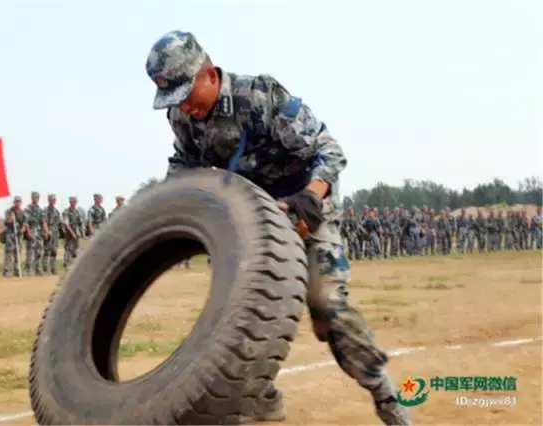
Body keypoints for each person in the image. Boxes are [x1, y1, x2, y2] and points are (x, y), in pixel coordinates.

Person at [145, 30, 411, 425]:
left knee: (328, 309)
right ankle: (262, 403)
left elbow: (330, 150)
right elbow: (185, 166)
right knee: (238, 318)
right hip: (252, 217)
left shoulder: (260, 97)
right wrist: (163, 205)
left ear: (210, 75)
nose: (183, 105)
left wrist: (310, 196)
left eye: (186, 92)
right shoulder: (183, 117)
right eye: (174, 98)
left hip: (307, 204)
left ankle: (387, 399)